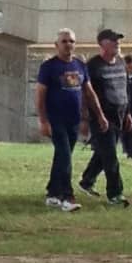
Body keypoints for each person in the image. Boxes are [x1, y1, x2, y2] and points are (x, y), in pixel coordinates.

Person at [35, 28, 90, 210]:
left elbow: (87, 92)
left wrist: (86, 118)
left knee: (62, 157)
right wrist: (43, 121)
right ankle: (68, 197)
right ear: (56, 45)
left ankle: (52, 192)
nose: (68, 45)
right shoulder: (49, 67)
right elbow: (40, 96)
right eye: (65, 41)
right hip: (55, 119)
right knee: (65, 156)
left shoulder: (80, 66)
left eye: (71, 41)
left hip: (73, 120)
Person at [79, 27, 132, 206]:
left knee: (104, 153)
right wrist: (89, 118)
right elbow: (86, 94)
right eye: (113, 40)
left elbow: (125, 89)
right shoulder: (93, 66)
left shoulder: (120, 63)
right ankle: (115, 194)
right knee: (110, 156)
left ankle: (87, 181)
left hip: (119, 114)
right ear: (102, 44)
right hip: (101, 117)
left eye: (118, 40)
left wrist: (128, 113)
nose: (117, 43)